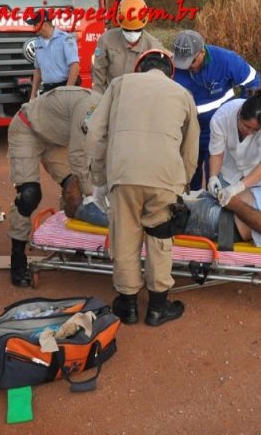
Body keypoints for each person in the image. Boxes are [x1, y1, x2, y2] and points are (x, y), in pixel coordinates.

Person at [88, 49, 200, 327]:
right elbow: (191, 146)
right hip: (164, 177)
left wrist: (100, 177)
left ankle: (127, 307)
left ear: (139, 68)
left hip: (123, 173)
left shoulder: (120, 84)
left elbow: (94, 131)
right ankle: (157, 308)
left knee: (125, 237)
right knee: (160, 239)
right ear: (169, 72)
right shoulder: (182, 93)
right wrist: (181, 183)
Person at [65, 181, 261, 252]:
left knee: (153, 219)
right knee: (157, 205)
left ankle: (86, 211)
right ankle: (103, 203)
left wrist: (234, 204)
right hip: (221, 209)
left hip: (224, 220)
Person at [7, 86, 102, 287]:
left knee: (73, 188)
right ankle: (17, 258)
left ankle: (71, 245)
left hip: (56, 139)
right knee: (29, 195)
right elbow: (79, 155)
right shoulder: (92, 108)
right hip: (28, 129)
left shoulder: (110, 113)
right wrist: (91, 195)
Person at [172, 29, 261, 191]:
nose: (187, 67)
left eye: (190, 61)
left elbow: (253, 82)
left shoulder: (225, 60)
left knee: (217, 175)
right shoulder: (173, 68)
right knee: (189, 174)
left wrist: (244, 112)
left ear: (202, 52)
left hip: (220, 129)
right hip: (189, 131)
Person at [207, 91, 261, 207]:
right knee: (224, 207)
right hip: (231, 167)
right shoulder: (221, 118)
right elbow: (217, 154)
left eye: (255, 130)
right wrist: (213, 176)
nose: (249, 132)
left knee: (257, 209)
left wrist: (237, 188)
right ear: (240, 114)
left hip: (259, 171)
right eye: (246, 126)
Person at [92, 0, 164, 94]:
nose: (132, 34)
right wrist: (97, 101)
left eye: (136, 30)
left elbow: (160, 81)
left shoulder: (154, 46)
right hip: (112, 97)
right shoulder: (106, 40)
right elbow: (98, 76)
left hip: (138, 100)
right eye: (127, 30)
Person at [26, 9, 80, 100]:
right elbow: (38, 70)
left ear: (45, 25)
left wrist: (67, 91)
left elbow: (74, 65)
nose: (34, 28)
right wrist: (33, 95)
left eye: (35, 25)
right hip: (48, 91)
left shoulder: (66, 39)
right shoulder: (38, 42)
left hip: (65, 87)